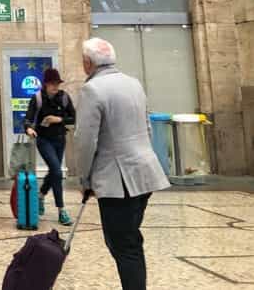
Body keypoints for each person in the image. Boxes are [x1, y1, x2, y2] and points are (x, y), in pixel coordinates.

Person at [75, 38, 169, 290]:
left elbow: (85, 141)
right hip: (144, 173)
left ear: (88, 63)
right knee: (130, 240)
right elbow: (147, 126)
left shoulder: (92, 89)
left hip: (118, 180)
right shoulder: (133, 83)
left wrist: (84, 179)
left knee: (123, 244)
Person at [24, 68, 76, 225]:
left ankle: (40, 195)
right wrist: (29, 128)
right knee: (57, 171)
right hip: (44, 140)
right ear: (46, 84)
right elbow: (28, 118)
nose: (55, 87)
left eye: (57, 83)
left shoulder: (65, 98)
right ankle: (61, 211)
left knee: (55, 172)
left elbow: (74, 118)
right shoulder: (38, 98)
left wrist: (58, 119)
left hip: (60, 139)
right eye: (52, 84)